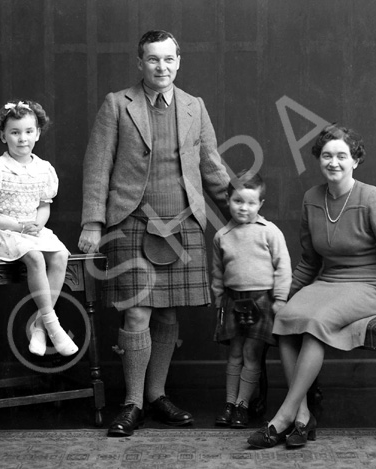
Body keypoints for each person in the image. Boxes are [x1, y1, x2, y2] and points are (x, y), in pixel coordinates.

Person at [247, 124, 376, 449]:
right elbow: (309, 261)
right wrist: (282, 297)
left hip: (369, 286)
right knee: (283, 321)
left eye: (342, 155)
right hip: (328, 282)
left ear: (355, 160)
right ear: (319, 160)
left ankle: (283, 417)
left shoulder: (372, 198)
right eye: (327, 155)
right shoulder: (312, 198)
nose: (334, 162)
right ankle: (302, 415)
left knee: (315, 324)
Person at [78, 30, 230, 437]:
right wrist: (93, 222)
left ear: (178, 61)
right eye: (152, 60)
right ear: (139, 63)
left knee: (166, 311)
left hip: (181, 222)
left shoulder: (194, 106)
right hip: (131, 221)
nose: (161, 67)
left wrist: (241, 211)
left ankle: (157, 395)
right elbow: (97, 166)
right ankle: (132, 403)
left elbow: (211, 167)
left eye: (168, 59)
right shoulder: (116, 104)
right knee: (137, 310)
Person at [0, 100, 77, 357]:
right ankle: (53, 326)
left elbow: (44, 206)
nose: (23, 139)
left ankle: (40, 326)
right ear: (3, 135)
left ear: (38, 133)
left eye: (29, 132)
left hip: (30, 229)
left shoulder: (44, 169)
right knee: (34, 257)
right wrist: (19, 226)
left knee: (61, 255)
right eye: (15, 132)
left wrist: (38, 224)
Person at [211, 170, 291, 428]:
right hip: (233, 301)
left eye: (251, 202)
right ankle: (229, 403)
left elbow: (283, 267)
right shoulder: (222, 236)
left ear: (260, 204)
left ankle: (243, 406)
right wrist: (218, 298)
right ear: (227, 199)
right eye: (238, 201)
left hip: (262, 300)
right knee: (234, 352)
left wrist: (279, 299)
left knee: (251, 352)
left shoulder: (269, 232)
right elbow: (217, 271)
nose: (244, 208)